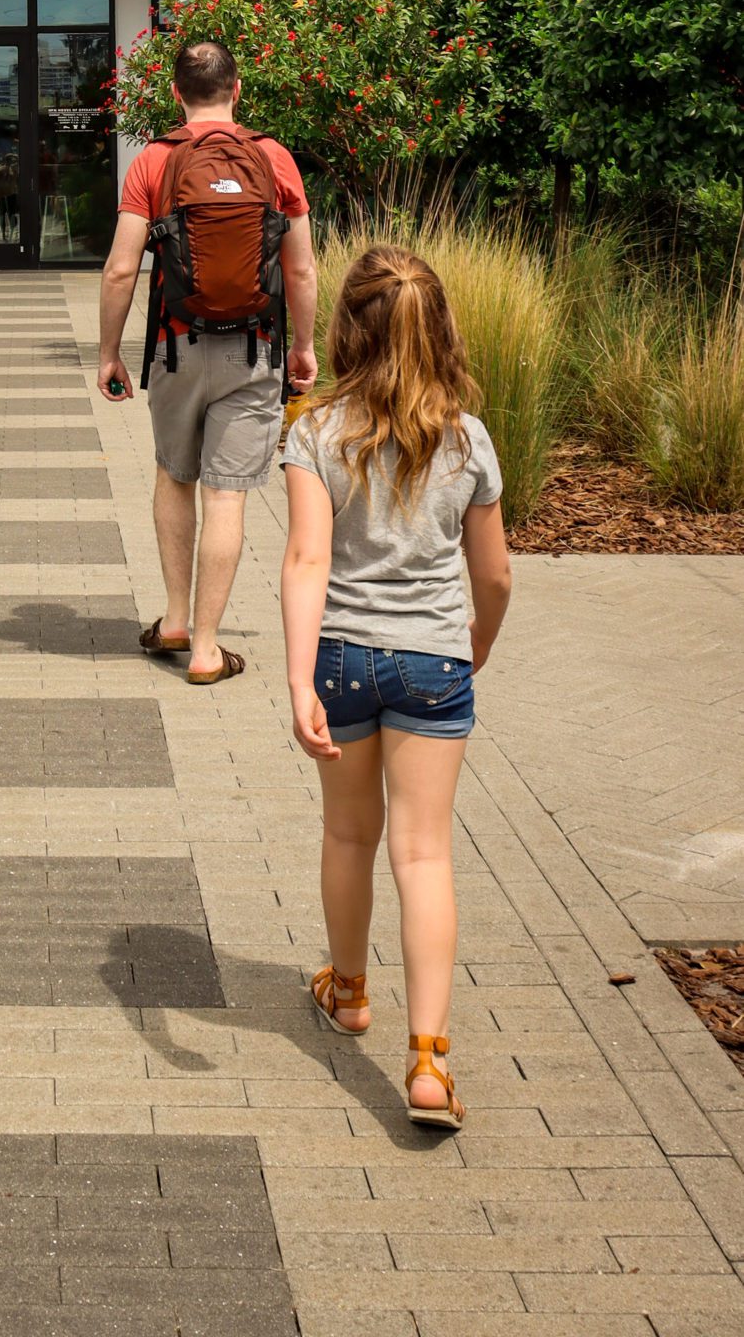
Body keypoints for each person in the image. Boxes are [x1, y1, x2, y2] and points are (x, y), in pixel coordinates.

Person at [281, 245, 513, 1133]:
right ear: (440, 326)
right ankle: (427, 1063)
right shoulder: (466, 438)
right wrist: (475, 643)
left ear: (346, 329)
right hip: (433, 664)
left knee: (348, 832)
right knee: (423, 855)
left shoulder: (313, 432)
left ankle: (346, 992)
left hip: (340, 657)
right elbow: (490, 578)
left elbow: (305, 559)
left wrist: (299, 677)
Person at [97, 39, 317, 685]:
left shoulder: (154, 163)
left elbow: (118, 270)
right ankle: (206, 649)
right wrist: (302, 347)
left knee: (174, 476)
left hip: (174, 346)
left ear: (174, 93)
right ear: (236, 89)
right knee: (226, 496)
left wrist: (109, 353)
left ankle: (172, 618)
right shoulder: (273, 159)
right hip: (254, 352)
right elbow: (299, 267)